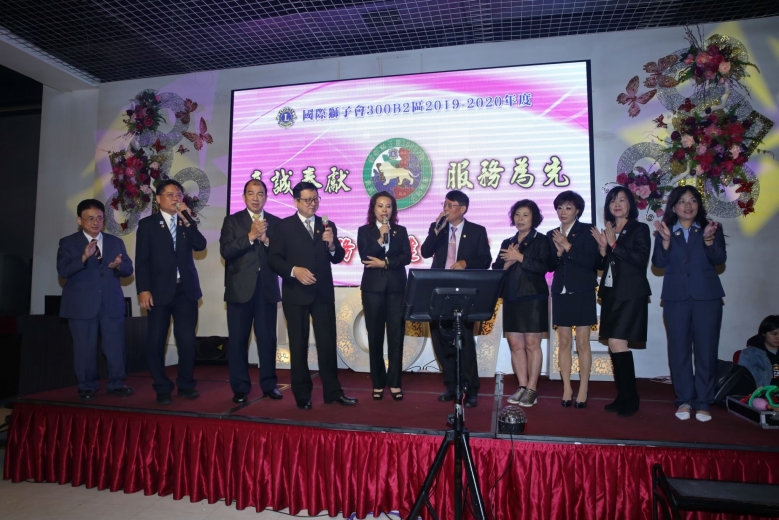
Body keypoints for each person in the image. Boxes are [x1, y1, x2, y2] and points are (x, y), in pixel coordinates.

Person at [268, 181, 358, 410]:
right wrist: (294, 271)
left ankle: (333, 392)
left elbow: (338, 256)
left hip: (322, 293)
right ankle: (302, 395)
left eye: (316, 199)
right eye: (307, 200)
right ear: (296, 201)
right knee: (298, 346)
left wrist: (332, 244)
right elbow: (274, 259)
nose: (312, 204)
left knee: (327, 343)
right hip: (296, 293)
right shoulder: (283, 226)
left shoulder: (327, 225)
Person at [652, 185, 726, 422]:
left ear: (698, 205)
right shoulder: (665, 230)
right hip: (676, 298)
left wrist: (708, 240)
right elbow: (658, 263)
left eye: (692, 200)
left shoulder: (711, 228)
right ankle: (684, 400)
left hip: (707, 298)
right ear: (674, 206)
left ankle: (703, 401)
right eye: (682, 201)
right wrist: (665, 242)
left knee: (706, 350)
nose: (688, 205)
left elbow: (719, 259)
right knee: (679, 351)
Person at [136, 179, 207, 405]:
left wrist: (188, 220)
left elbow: (201, 245)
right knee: (156, 340)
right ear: (158, 199)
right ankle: (162, 387)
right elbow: (142, 260)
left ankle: (186, 384)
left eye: (178, 194)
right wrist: (143, 289)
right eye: (170, 194)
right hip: (158, 292)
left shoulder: (186, 222)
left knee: (186, 340)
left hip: (185, 290)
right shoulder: (148, 225)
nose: (176, 198)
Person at [56, 199, 134, 400]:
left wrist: (118, 266)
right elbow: (63, 271)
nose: (95, 222)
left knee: (115, 347)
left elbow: (128, 269)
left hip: (111, 303)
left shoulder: (115, 242)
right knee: (84, 348)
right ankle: (86, 386)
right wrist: (83, 257)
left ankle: (117, 383)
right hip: (81, 305)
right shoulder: (68, 243)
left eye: (99, 218)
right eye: (90, 218)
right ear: (79, 220)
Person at [421, 189, 492, 407]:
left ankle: (471, 388)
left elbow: (486, 260)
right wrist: (436, 231)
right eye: (444, 204)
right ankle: (452, 386)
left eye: (450, 205)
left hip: (464, 292)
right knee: (440, 339)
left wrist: (466, 263)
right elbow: (425, 252)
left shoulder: (477, 231)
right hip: (439, 291)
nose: (445, 209)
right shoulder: (438, 229)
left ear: (462, 209)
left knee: (464, 341)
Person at [220, 179, 282, 404]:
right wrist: (250, 237)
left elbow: (282, 255)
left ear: (266, 197)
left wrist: (267, 241)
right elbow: (226, 251)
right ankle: (240, 388)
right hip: (239, 290)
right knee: (238, 341)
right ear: (244, 196)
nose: (256, 198)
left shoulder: (276, 222)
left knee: (268, 340)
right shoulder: (232, 221)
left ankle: (269, 385)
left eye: (260, 193)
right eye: (251, 193)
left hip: (266, 289)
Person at [591, 186, 651, 417]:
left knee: (618, 342)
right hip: (611, 294)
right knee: (615, 344)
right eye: (612, 200)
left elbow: (640, 258)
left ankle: (631, 398)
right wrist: (603, 248)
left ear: (630, 205)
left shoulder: (639, 228)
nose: (616, 204)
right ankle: (624, 395)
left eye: (622, 200)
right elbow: (601, 265)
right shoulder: (610, 230)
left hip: (631, 293)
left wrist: (614, 244)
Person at [492, 200, 551, 408]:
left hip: (533, 296)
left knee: (532, 344)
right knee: (515, 344)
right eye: (517, 214)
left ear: (534, 218)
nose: (520, 218)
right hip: (511, 296)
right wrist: (507, 263)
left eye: (525, 214)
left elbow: (545, 266)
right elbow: (496, 268)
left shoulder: (542, 240)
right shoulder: (507, 241)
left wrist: (519, 257)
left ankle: (532, 389)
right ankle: (522, 386)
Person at [357, 192, 411, 401]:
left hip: (397, 289)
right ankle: (378, 383)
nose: (384, 210)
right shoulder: (365, 231)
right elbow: (365, 256)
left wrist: (385, 263)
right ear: (373, 209)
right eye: (380, 206)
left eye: (388, 206)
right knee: (375, 336)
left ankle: (395, 382)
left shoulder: (400, 231)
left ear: (393, 209)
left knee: (396, 336)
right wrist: (380, 238)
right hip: (373, 290)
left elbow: (406, 256)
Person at [547, 190, 598, 409]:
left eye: (568, 207)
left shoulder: (587, 230)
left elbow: (591, 261)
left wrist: (568, 246)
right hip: (561, 291)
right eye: (560, 207)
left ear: (577, 210)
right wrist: (558, 254)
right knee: (564, 342)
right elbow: (550, 265)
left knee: (583, 342)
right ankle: (567, 388)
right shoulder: (551, 234)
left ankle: (584, 388)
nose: (563, 212)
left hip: (583, 290)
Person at [740, 315, 779, 387]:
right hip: (763, 392)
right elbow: (743, 381)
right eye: (774, 334)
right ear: (763, 333)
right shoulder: (749, 354)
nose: (778, 337)